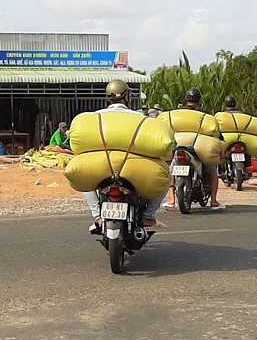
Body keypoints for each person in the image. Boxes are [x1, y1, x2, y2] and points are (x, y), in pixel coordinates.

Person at [84, 79, 167, 234]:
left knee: (85, 179)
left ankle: (97, 217)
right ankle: (148, 216)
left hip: (102, 165)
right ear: (127, 96)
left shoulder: (95, 117)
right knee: (166, 176)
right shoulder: (140, 118)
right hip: (131, 165)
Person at [162, 87, 226, 211]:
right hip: (197, 148)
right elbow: (213, 130)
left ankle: (171, 199)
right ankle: (213, 201)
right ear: (198, 99)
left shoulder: (178, 113)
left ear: (187, 99)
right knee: (213, 171)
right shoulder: (205, 114)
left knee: (171, 170)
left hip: (179, 145)